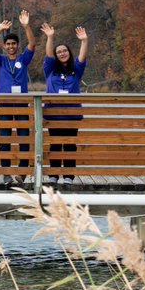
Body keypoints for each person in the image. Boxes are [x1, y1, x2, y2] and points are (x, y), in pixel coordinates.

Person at [0, 8, 37, 187]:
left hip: (22, 104)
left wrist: (26, 26)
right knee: (5, 139)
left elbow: (32, 44)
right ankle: (6, 174)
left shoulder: (23, 59)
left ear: (17, 45)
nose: (10, 46)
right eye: (7, 44)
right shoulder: (1, 60)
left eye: (13, 44)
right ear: (5, 46)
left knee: (24, 138)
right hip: (5, 105)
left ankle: (22, 173)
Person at [42, 23, 89, 185]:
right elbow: (48, 55)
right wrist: (50, 37)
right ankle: (54, 175)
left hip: (72, 114)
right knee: (55, 144)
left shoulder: (76, 69)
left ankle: (68, 176)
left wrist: (84, 41)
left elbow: (82, 58)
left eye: (64, 51)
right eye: (59, 52)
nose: (62, 53)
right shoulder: (50, 69)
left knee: (69, 145)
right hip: (53, 114)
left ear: (69, 53)